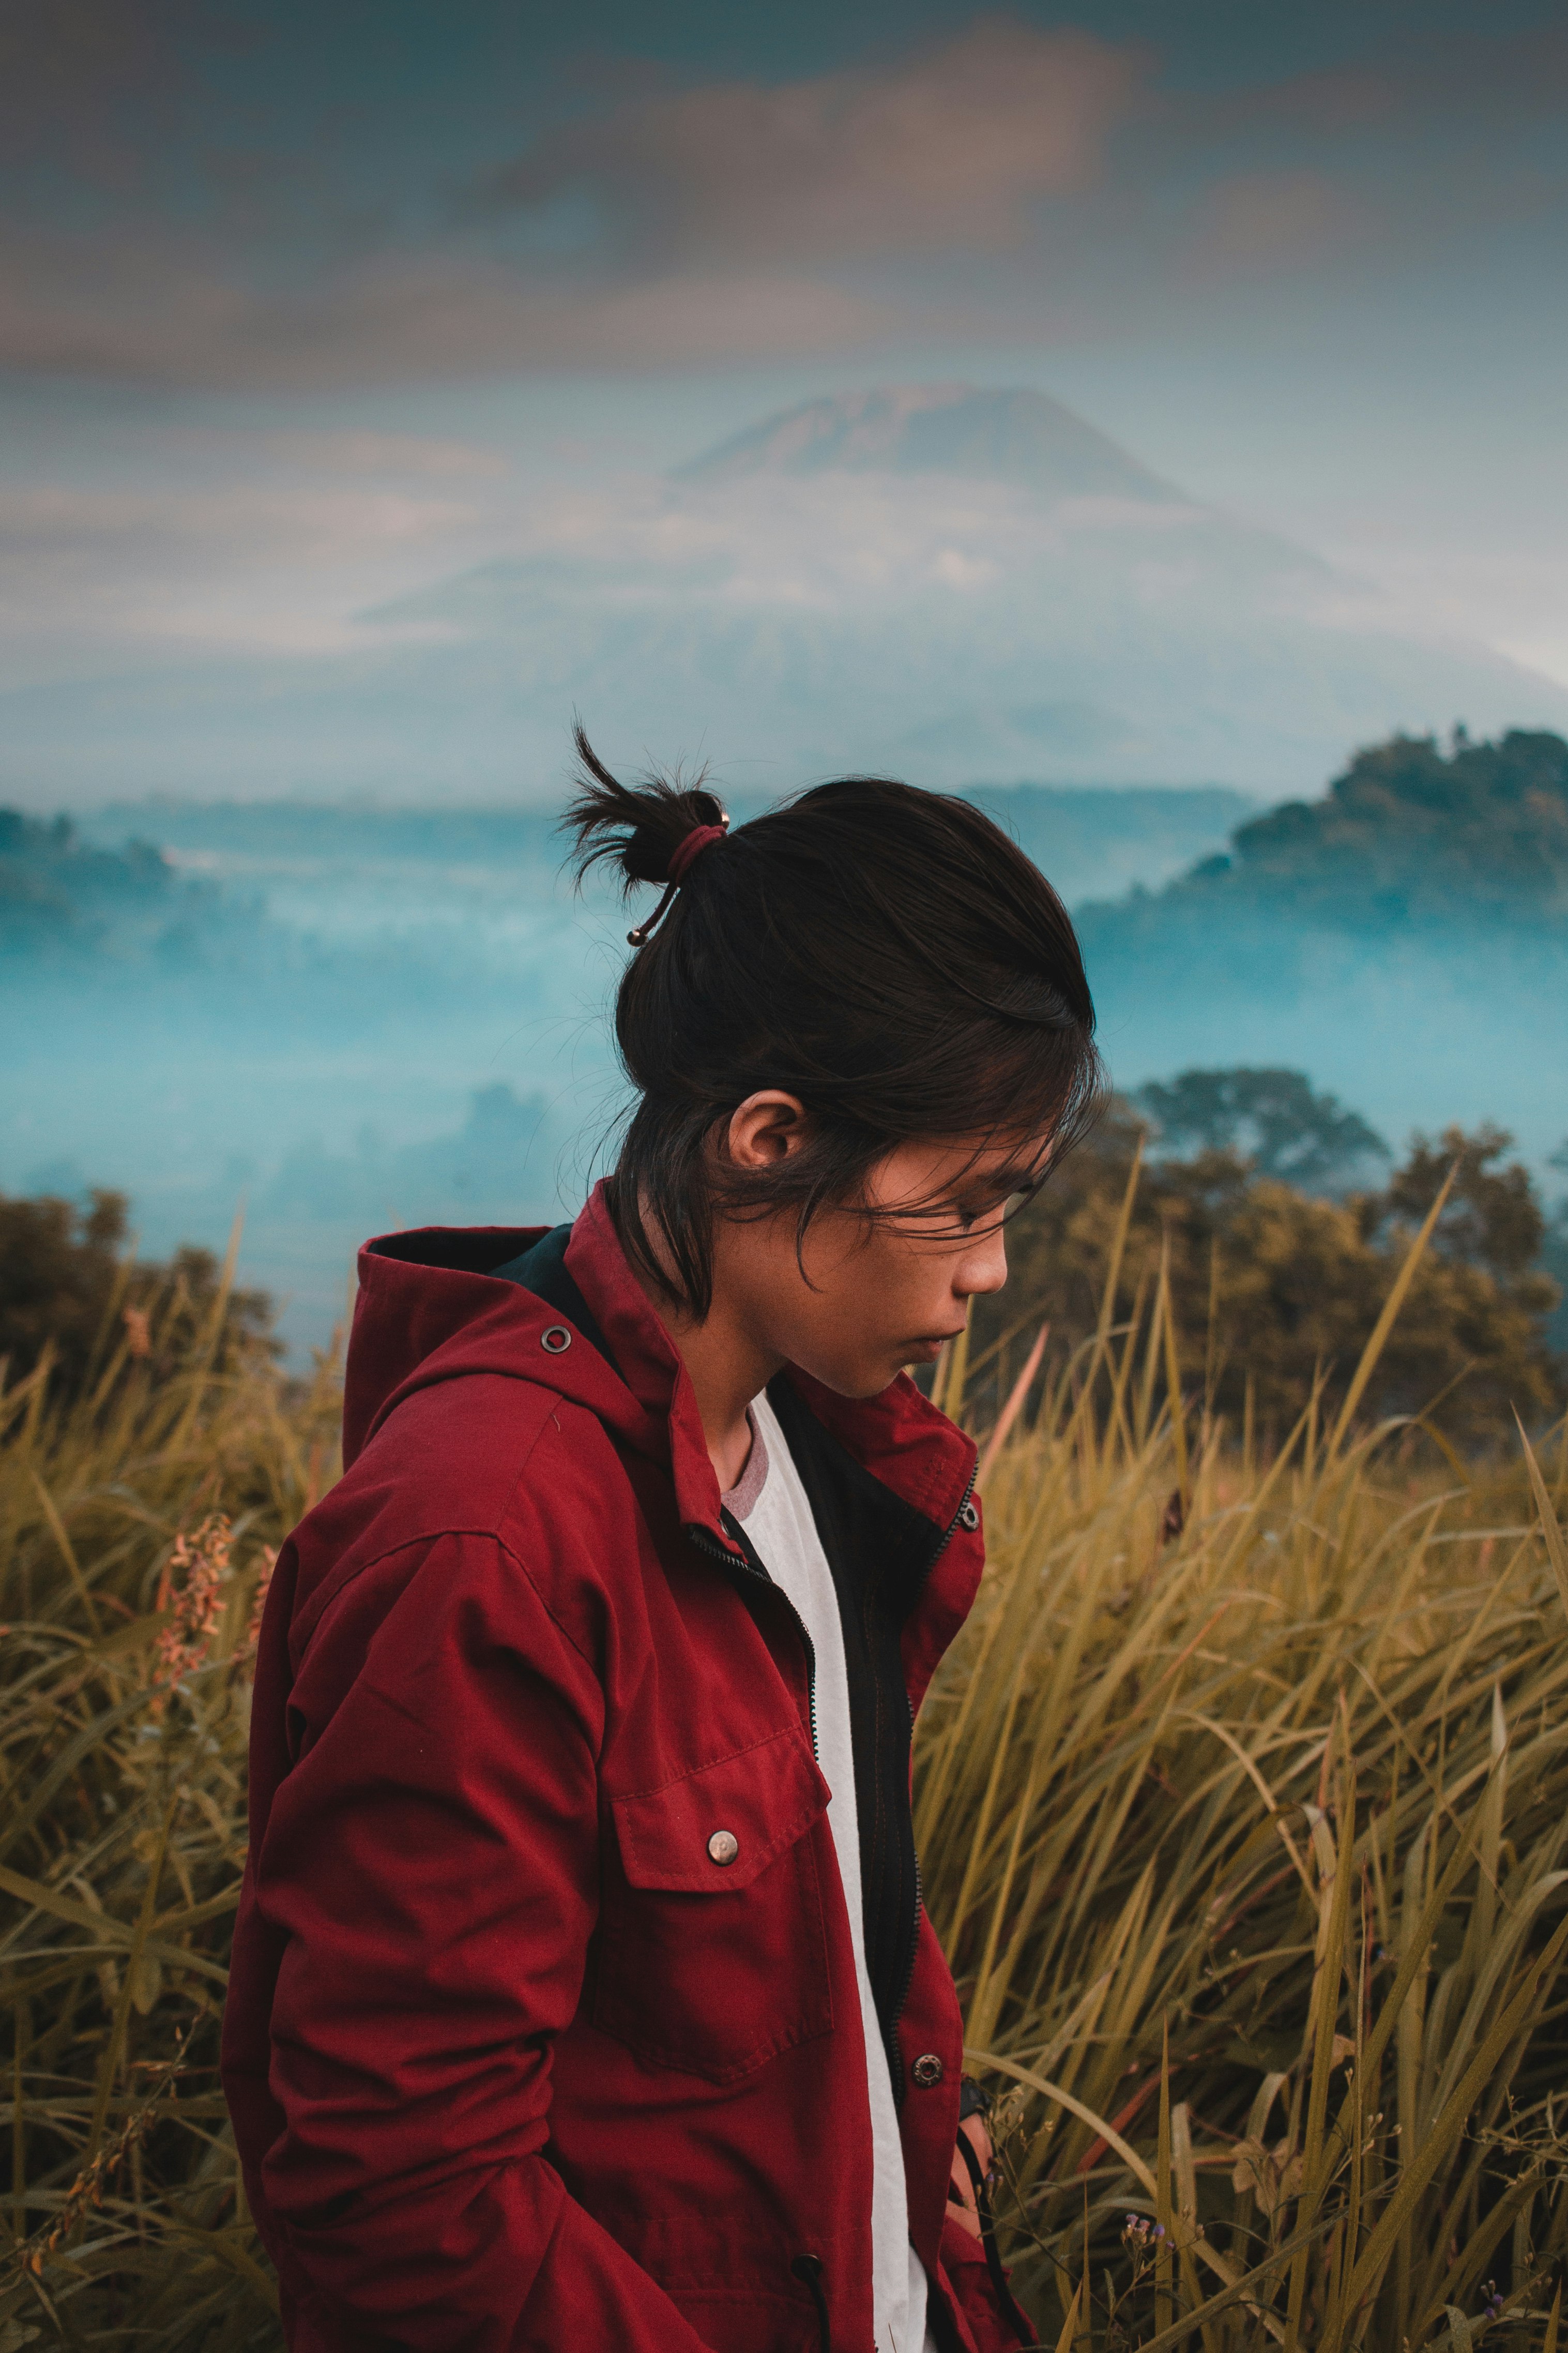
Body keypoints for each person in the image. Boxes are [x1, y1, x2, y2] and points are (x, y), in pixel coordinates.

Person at [222, 731, 1103, 2353]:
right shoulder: (486, 1537)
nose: (985, 1273)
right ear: (768, 1139)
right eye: (966, 1204)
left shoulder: (807, 1452)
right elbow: (399, 2190)